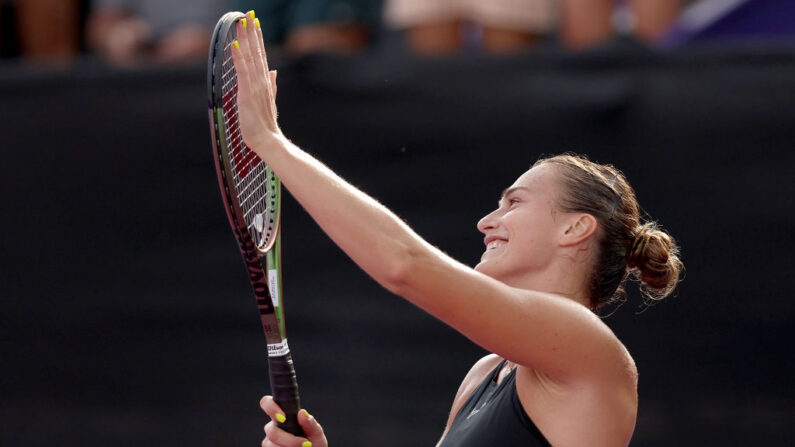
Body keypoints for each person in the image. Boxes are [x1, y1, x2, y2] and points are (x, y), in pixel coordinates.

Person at [231, 11, 683, 447]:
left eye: (514, 202)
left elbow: (404, 265)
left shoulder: (588, 347)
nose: (487, 222)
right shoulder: (483, 375)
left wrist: (271, 142)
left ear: (576, 228)